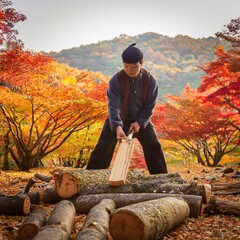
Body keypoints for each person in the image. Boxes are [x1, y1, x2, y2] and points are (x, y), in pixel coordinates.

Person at [86, 43, 168, 174]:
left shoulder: (150, 80)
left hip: (141, 119)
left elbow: (149, 106)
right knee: (103, 148)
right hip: (118, 119)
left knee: (154, 146)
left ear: (141, 63)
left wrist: (140, 122)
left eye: (134, 66)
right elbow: (113, 106)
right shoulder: (116, 80)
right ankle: (90, 177)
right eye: (126, 66)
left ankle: (162, 178)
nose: (130, 70)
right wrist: (117, 126)